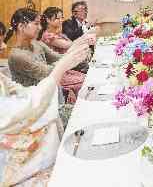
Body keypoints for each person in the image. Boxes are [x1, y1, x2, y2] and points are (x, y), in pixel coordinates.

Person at [0, 43, 90, 186]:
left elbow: (25, 94)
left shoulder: (36, 44)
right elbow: (24, 109)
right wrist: (61, 67)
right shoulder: (17, 55)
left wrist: (64, 63)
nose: (4, 46)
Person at [5, 8, 95, 89]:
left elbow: (59, 57)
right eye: (36, 24)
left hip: (49, 89)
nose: (40, 28)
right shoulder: (18, 55)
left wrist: (78, 53)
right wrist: (77, 52)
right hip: (35, 99)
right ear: (21, 26)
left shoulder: (37, 44)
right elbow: (48, 72)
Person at [38, 7, 86, 103]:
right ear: (48, 20)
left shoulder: (57, 33)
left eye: (61, 18)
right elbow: (70, 45)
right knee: (86, 82)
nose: (61, 20)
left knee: (87, 77)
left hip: (66, 67)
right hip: (57, 71)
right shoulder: (48, 36)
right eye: (57, 18)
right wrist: (86, 38)